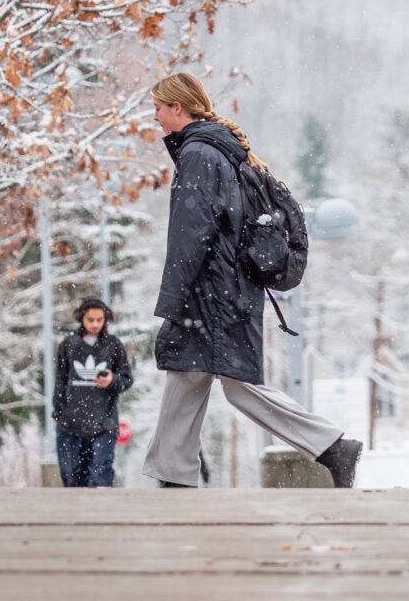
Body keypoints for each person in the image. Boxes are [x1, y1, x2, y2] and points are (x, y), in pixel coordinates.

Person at [141, 72, 362, 488]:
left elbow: (191, 232)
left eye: (157, 108)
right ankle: (174, 475)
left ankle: (332, 447)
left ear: (177, 107)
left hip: (212, 292)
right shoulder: (217, 149)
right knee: (188, 373)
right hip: (227, 288)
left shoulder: (199, 154)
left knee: (234, 385)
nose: (154, 117)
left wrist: (173, 297)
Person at [52, 298, 133, 487]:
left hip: (103, 424)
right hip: (70, 426)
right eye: (90, 320)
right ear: (82, 318)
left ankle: (100, 515)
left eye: (99, 319)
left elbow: (127, 379)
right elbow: (60, 382)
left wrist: (112, 380)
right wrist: (59, 413)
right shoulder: (69, 344)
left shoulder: (113, 345)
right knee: (72, 480)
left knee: (100, 479)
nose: (95, 324)